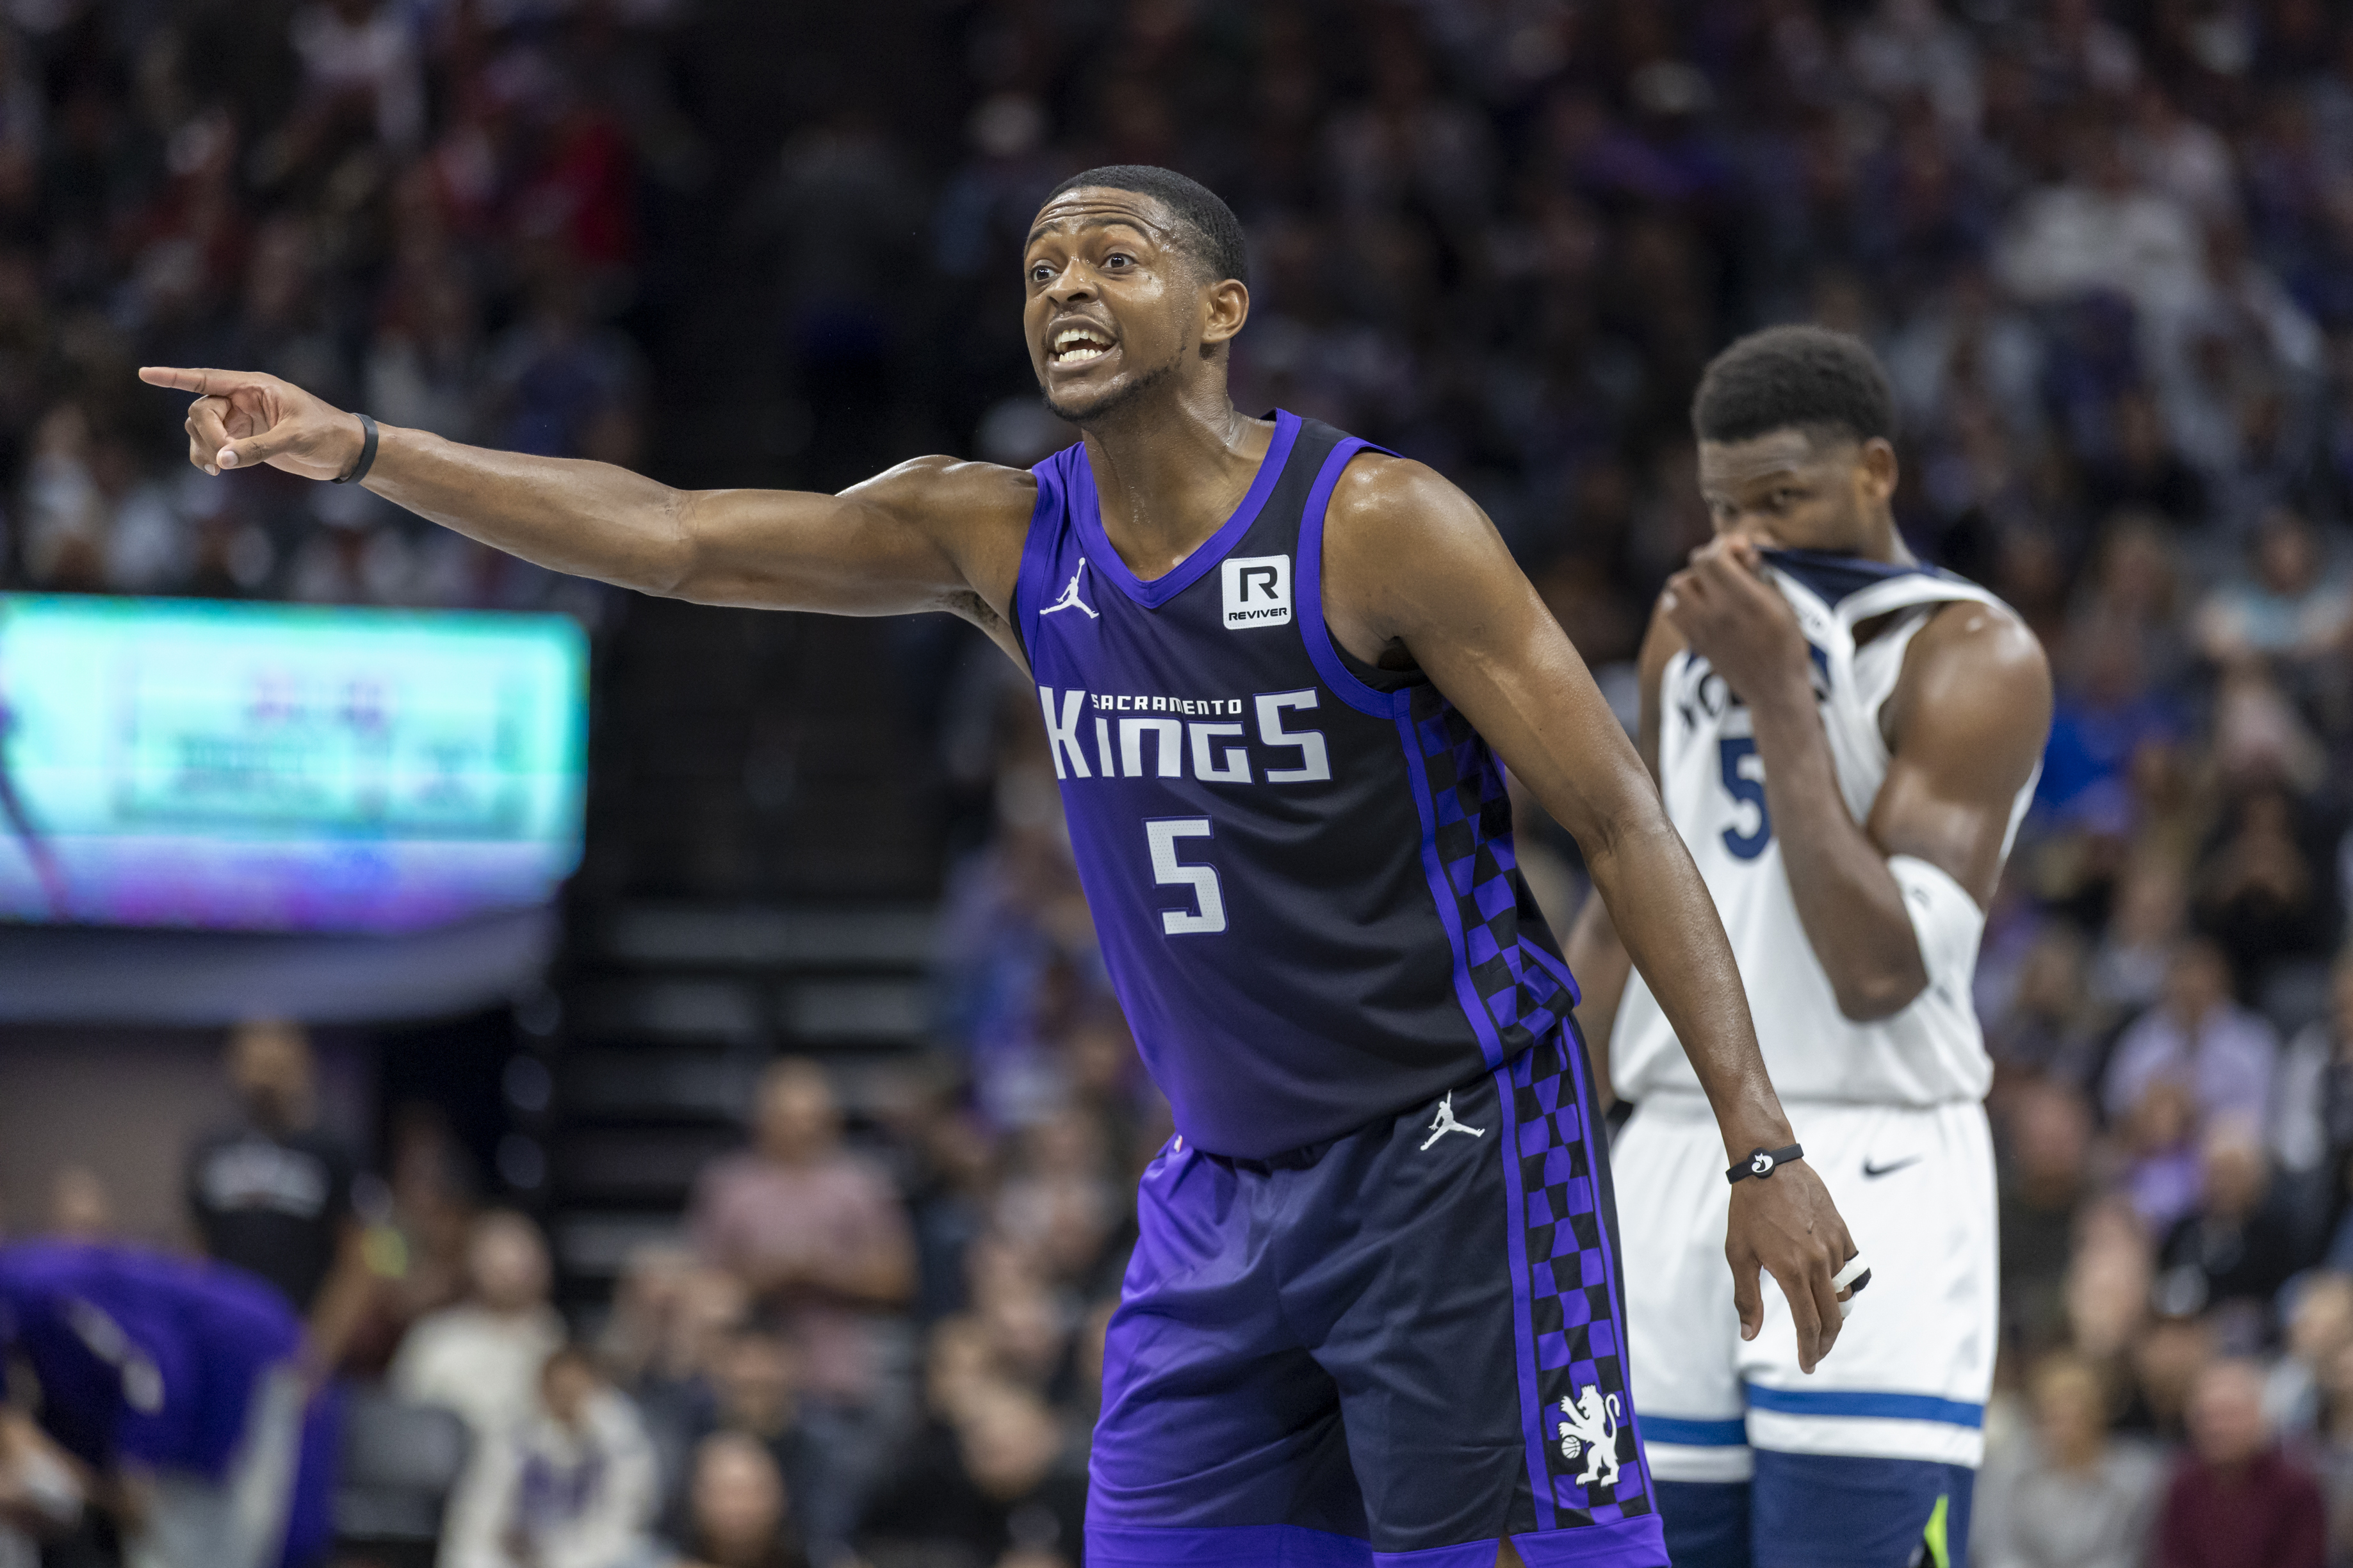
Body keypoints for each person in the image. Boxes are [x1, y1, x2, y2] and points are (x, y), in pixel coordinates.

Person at [140, 163, 1859, 1568]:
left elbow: (1622, 817)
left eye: (1116, 256)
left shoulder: (1374, 524)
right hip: (1221, 1185)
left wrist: (1754, 1143)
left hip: (1458, 1141)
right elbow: (669, 535)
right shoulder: (998, 530)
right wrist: (360, 448)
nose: (1068, 288)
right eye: (1043, 265)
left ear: (1219, 312)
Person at [1565, 327, 2053, 1568]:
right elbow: (1634, 886)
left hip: (1868, 1150)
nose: (1748, 543)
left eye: (1781, 500)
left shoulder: (1969, 651)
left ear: (1875, 473)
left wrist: (1787, 694)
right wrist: (1539, 1132)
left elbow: (1878, 968)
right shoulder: (1687, 633)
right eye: (1725, 508)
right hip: (1672, 1148)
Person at [0, 1239, 336, 1568]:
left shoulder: (46, 1290)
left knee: (257, 1547)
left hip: (251, 1366)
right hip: (190, 1415)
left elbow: (157, 1367)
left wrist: (136, 1467)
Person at [184, 1017, 377, 1378]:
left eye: (275, 1067)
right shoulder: (211, 1150)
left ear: (302, 1065)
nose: (264, 1081)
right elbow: (196, 1254)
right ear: (235, 1067)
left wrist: (319, 1351)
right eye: (254, 1065)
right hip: (228, 1345)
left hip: (302, 1346)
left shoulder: (331, 1150)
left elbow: (360, 1264)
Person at [440, 1345, 662, 1568]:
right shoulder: (510, 1438)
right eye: (559, 1392)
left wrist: (608, 1425)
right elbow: (475, 1525)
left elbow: (624, 1522)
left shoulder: (618, 1439)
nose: (567, 1402)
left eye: (577, 1393)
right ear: (541, 1390)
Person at [389, 1209, 566, 1443]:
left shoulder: (551, 1332)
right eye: (501, 1263)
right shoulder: (436, 1339)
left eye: (523, 1263)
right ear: (474, 1265)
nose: (513, 1273)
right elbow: (403, 1425)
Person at [2154, 1358, 2325, 1568]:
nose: (2216, 1428)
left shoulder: (2296, 1487)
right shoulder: (2182, 1483)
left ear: (2260, 1418)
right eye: (2207, 1417)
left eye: (2230, 1415)